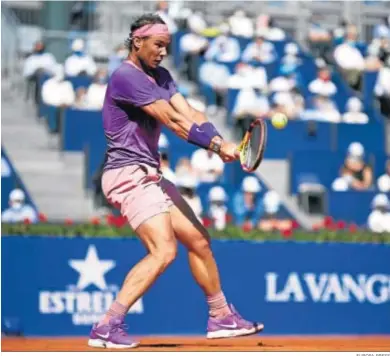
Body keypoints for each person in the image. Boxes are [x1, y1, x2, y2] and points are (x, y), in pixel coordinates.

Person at [88, 14, 264, 349]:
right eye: (157, 45)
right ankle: (107, 325)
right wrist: (216, 146)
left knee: (198, 240)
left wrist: (221, 142)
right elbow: (172, 121)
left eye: (166, 46)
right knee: (164, 250)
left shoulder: (162, 76)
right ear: (137, 41)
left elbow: (191, 114)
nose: (162, 52)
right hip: (128, 175)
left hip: (150, 175)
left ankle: (221, 316)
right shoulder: (126, 76)